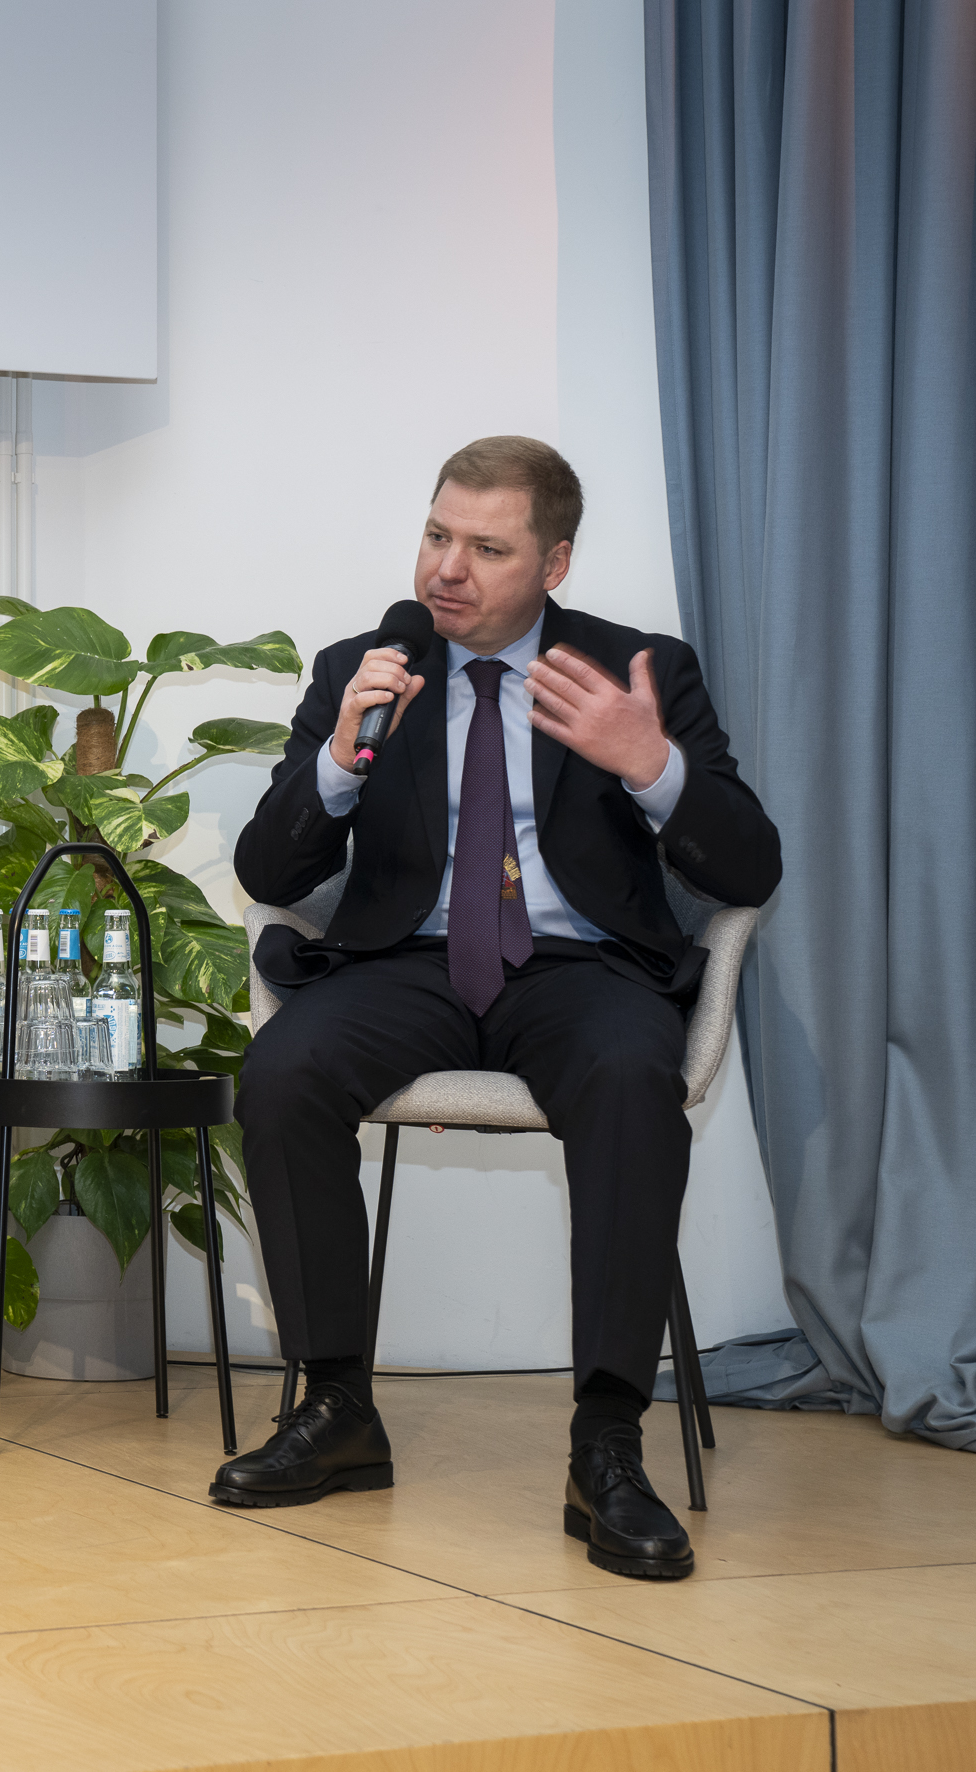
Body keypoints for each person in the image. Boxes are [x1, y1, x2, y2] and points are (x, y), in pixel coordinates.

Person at [217, 436, 781, 1581]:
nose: (448, 569)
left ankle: (607, 1442)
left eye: (486, 546)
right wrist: (336, 761)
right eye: (436, 535)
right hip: (407, 962)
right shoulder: (364, 666)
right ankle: (336, 1407)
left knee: (632, 1082)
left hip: (582, 970)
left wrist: (650, 763)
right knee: (279, 1075)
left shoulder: (637, 669)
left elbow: (749, 867)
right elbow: (271, 869)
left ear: (554, 560)